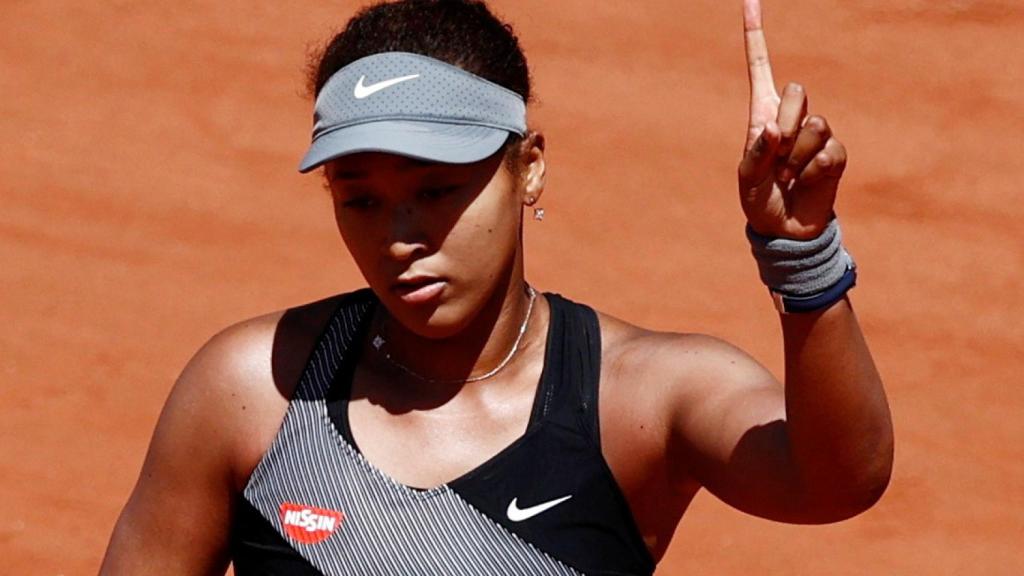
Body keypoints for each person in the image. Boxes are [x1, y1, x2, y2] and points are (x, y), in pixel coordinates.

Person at [99, 0, 893, 574]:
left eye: (439, 190)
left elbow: (836, 482)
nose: (400, 236)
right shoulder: (253, 391)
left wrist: (802, 257)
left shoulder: (638, 397)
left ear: (531, 166)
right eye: (360, 199)